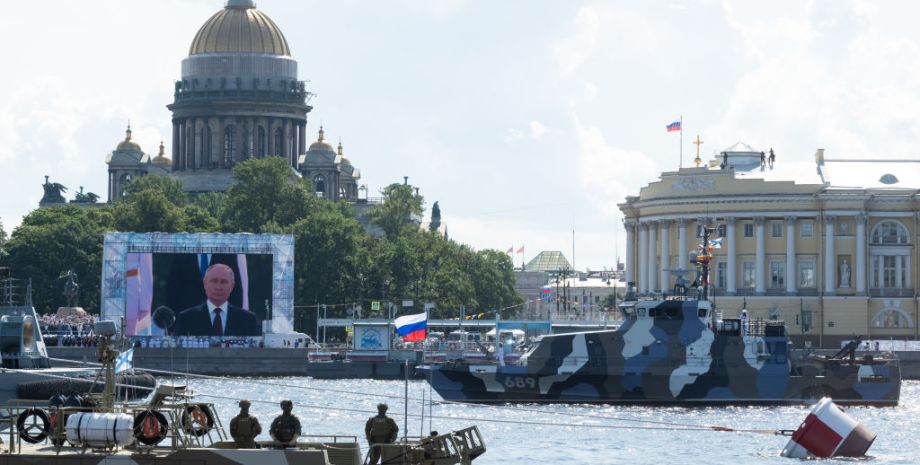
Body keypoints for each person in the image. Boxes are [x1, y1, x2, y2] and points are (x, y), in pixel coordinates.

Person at [174, 264, 260, 336]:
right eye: (214, 281)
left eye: (224, 282)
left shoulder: (248, 320)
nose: (218, 287)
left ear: (232, 286)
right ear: (205, 283)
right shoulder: (186, 318)